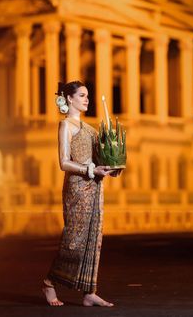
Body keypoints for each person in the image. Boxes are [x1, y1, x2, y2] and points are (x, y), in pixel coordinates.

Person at [42, 81, 122, 307]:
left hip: (95, 186)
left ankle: (89, 291)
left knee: (93, 240)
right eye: (82, 95)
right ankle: (49, 282)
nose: (87, 99)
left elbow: (100, 159)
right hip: (77, 187)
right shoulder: (65, 126)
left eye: (88, 96)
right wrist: (89, 169)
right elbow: (64, 162)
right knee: (74, 240)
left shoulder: (90, 129)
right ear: (69, 98)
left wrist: (111, 166)